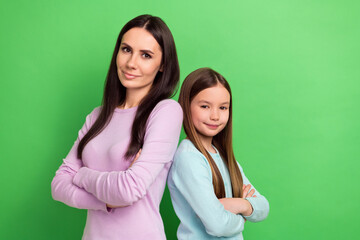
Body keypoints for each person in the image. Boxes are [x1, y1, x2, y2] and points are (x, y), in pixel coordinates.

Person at [51, 15, 183, 240]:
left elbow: (129, 190)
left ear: (162, 65)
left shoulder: (166, 112)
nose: (131, 63)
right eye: (126, 49)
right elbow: (58, 185)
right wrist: (105, 200)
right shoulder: (97, 116)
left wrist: (82, 175)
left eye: (146, 55)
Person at [167, 68, 269, 239]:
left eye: (223, 107)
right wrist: (243, 218)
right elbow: (218, 225)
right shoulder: (189, 157)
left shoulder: (223, 157)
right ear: (187, 105)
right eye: (205, 106)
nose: (215, 116)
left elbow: (264, 207)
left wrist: (239, 205)